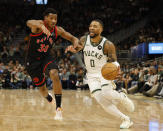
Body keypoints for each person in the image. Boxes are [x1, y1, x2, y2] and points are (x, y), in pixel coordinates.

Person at [66, 19, 135, 129]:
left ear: (101, 29)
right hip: (91, 75)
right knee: (101, 101)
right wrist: (72, 49)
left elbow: (114, 61)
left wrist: (117, 70)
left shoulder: (108, 44)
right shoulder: (84, 39)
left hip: (104, 72)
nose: (91, 28)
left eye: (95, 26)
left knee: (107, 93)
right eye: (90, 26)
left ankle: (122, 96)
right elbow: (78, 48)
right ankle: (126, 119)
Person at [26, 8, 79, 120]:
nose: (54, 21)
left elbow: (72, 37)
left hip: (46, 57)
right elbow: (29, 22)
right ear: (45, 18)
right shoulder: (38, 25)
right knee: (43, 90)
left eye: (55, 18)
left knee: (54, 73)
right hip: (32, 61)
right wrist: (42, 26)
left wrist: (75, 43)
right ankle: (49, 98)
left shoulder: (57, 30)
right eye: (51, 18)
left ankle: (58, 108)